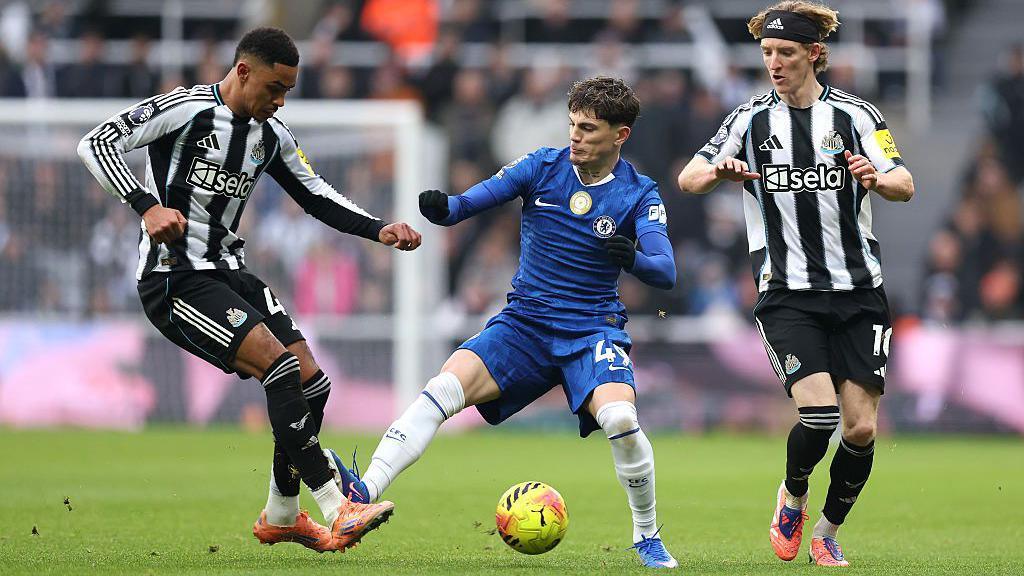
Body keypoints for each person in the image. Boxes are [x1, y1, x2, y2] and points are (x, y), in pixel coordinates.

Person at [77, 27, 421, 552]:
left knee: (311, 384)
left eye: (288, 91)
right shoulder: (185, 108)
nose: (280, 100)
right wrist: (146, 205)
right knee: (278, 367)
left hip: (229, 272)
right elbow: (96, 142)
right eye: (274, 87)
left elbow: (316, 194)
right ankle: (337, 505)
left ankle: (282, 513)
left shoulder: (270, 134)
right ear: (243, 72)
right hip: (175, 279)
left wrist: (378, 228)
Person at [332, 76, 679, 569]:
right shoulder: (542, 166)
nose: (575, 137)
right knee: (442, 389)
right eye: (572, 125)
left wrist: (635, 259)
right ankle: (364, 492)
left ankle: (648, 536)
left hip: (591, 330)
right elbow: (468, 204)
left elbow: (665, 271)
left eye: (588, 128)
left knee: (621, 420)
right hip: (525, 325)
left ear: (621, 135)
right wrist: (443, 209)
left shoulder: (638, 193)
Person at [676, 1, 914, 567]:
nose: (774, 63)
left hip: (860, 292)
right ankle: (793, 495)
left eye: (785, 53)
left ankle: (827, 533)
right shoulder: (749, 119)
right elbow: (689, 178)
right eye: (767, 54)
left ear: (814, 54)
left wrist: (876, 178)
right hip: (787, 292)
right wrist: (719, 173)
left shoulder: (857, 116)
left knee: (859, 429)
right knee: (820, 416)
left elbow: (904, 182)